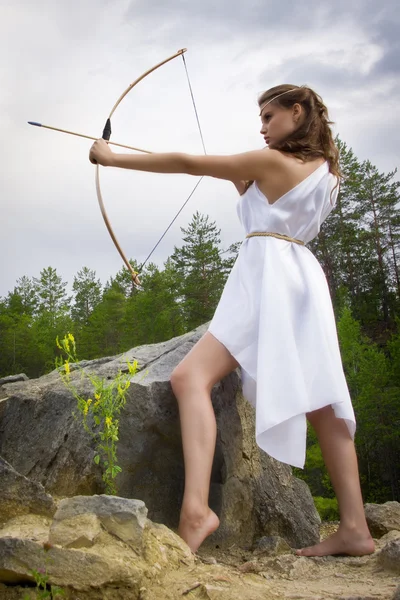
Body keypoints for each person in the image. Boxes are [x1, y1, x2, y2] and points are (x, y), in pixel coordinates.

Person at [89, 84, 375, 558]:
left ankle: (196, 510)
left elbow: (188, 163)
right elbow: (275, 207)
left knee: (189, 378)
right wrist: (244, 186)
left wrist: (113, 157)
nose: (262, 127)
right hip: (301, 279)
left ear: (297, 112)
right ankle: (355, 527)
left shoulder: (271, 163)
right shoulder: (324, 172)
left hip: (266, 280)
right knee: (324, 400)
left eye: (269, 116)